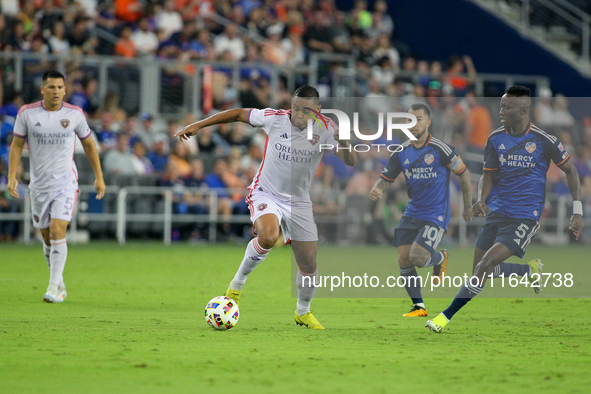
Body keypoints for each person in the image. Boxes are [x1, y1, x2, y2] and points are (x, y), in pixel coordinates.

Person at [176, 86, 357, 329]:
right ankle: (236, 287)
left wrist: (344, 141)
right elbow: (239, 114)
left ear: (317, 110)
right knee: (269, 236)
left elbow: (351, 161)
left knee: (309, 263)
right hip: (266, 192)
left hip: (299, 201)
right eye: (295, 108)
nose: (299, 115)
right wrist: (200, 124)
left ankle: (303, 312)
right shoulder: (275, 118)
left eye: (305, 110)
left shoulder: (327, 129)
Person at [426, 86, 585, 333]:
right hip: (497, 213)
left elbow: (571, 171)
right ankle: (528, 270)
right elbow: (488, 176)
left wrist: (577, 211)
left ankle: (443, 318)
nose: (501, 111)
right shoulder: (495, 139)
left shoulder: (544, 140)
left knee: (484, 266)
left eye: (506, 107)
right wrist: (481, 200)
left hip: (525, 218)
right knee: (479, 271)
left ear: (523, 109)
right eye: (500, 106)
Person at [7, 70, 106, 303]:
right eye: (52, 87)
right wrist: (12, 176)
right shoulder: (27, 113)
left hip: (65, 182)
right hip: (39, 185)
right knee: (46, 235)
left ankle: (52, 288)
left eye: (60, 88)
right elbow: (16, 146)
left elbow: (90, 146)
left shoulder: (75, 114)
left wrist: (99, 177)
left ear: (65, 90)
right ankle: (59, 283)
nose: (57, 92)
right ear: (43, 89)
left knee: (57, 230)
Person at [369, 103, 474, 317]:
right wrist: (377, 189)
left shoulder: (440, 149)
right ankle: (419, 306)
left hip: (435, 214)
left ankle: (440, 258)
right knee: (403, 259)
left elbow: (464, 173)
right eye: (410, 120)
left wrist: (468, 205)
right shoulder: (401, 151)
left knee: (417, 257)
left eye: (418, 119)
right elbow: (386, 178)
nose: (414, 124)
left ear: (428, 122)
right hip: (412, 212)